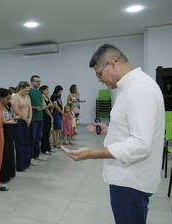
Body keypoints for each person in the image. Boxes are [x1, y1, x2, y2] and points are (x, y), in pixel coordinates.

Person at [61, 44, 165, 224]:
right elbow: (135, 128)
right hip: (127, 178)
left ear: (113, 64)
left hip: (130, 182)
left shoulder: (139, 88)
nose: (99, 80)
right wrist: (111, 130)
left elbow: (140, 144)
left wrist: (91, 154)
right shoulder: (130, 86)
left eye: (99, 74)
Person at [0, 88, 17, 183]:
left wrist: (14, 118)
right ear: (1, 98)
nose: (9, 101)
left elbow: (8, 117)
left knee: (9, 152)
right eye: (7, 98)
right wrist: (6, 122)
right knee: (4, 153)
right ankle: (3, 175)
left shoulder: (6, 106)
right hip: (2, 131)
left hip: (9, 130)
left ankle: (10, 172)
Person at [11, 81, 32, 172]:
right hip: (19, 121)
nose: (27, 92)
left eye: (28, 91)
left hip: (27, 121)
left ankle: (27, 163)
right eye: (26, 90)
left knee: (27, 142)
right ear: (21, 88)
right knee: (20, 143)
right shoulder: (15, 97)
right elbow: (16, 110)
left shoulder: (27, 96)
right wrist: (24, 118)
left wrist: (29, 119)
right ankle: (20, 165)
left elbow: (30, 108)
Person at [28, 75, 47, 166]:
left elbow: (41, 103)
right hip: (33, 119)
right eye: (36, 81)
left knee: (38, 138)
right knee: (32, 138)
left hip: (40, 118)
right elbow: (26, 106)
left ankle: (37, 154)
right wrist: (34, 107)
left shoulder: (39, 92)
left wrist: (44, 107)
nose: (38, 82)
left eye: (39, 81)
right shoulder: (29, 92)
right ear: (31, 82)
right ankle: (31, 157)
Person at [39, 85, 54, 155]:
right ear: (43, 90)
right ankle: (44, 149)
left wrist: (50, 105)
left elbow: (52, 105)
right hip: (45, 116)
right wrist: (51, 116)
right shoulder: (41, 97)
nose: (48, 91)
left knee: (48, 132)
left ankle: (48, 147)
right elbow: (46, 108)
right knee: (45, 133)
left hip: (48, 116)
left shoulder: (47, 97)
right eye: (47, 90)